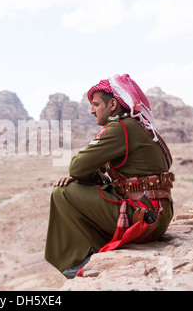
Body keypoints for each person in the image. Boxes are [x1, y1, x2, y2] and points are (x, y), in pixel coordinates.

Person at [44, 74, 174, 278]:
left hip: (145, 219)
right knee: (76, 188)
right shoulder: (137, 126)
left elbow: (77, 168)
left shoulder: (121, 128)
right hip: (157, 215)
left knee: (63, 192)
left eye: (96, 104)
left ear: (112, 104)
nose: (92, 110)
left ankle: (88, 257)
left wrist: (82, 179)